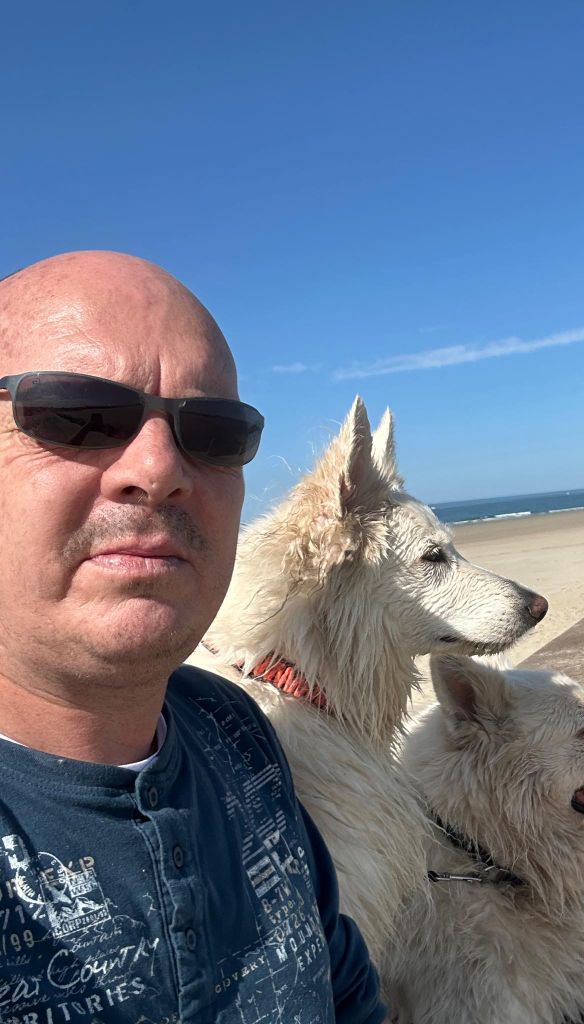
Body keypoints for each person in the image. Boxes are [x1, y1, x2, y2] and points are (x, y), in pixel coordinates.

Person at [0, 251, 388, 1024]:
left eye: (212, 433)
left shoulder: (230, 725)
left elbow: (341, 984)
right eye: (78, 413)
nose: (159, 467)